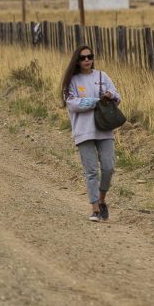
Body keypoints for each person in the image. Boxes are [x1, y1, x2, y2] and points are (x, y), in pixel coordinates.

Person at [61, 45, 121, 222]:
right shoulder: (71, 81)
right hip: (83, 131)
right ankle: (95, 209)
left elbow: (118, 97)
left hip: (104, 128)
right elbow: (73, 104)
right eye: (83, 58)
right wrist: (97, 101)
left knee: (109, 168)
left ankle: (102, 199)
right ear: (77, 61)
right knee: (91, 171)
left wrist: (110, 95)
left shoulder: (102, 76)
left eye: (90, 56)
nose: (87, 60)